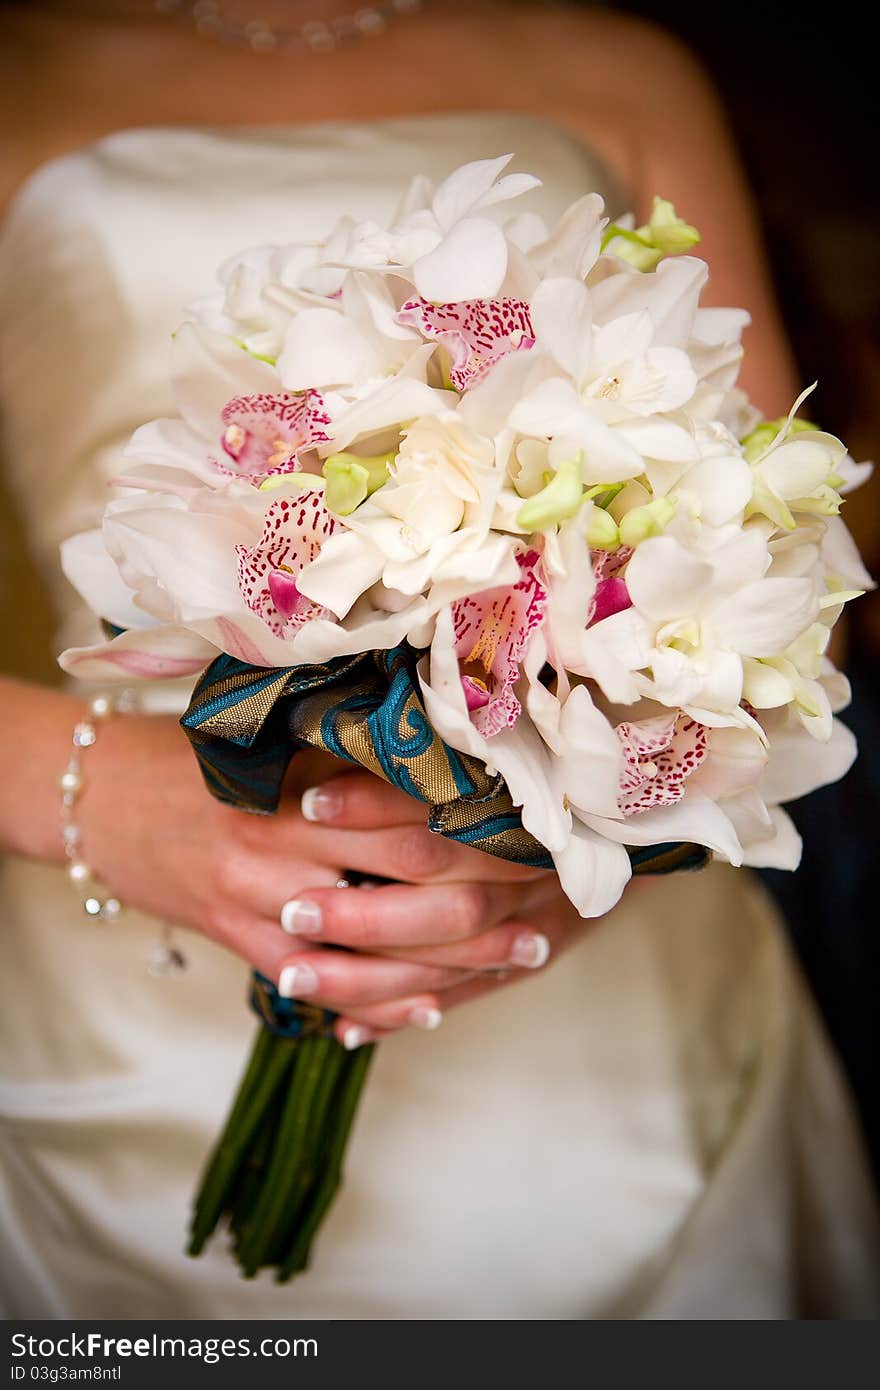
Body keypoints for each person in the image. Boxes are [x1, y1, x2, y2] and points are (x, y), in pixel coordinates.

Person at [0, 0, 877, 1319]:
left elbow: (779, 561)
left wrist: (586, 849)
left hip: (605, 1015)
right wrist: (96, 794)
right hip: (109, 1006)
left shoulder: (617, 65)